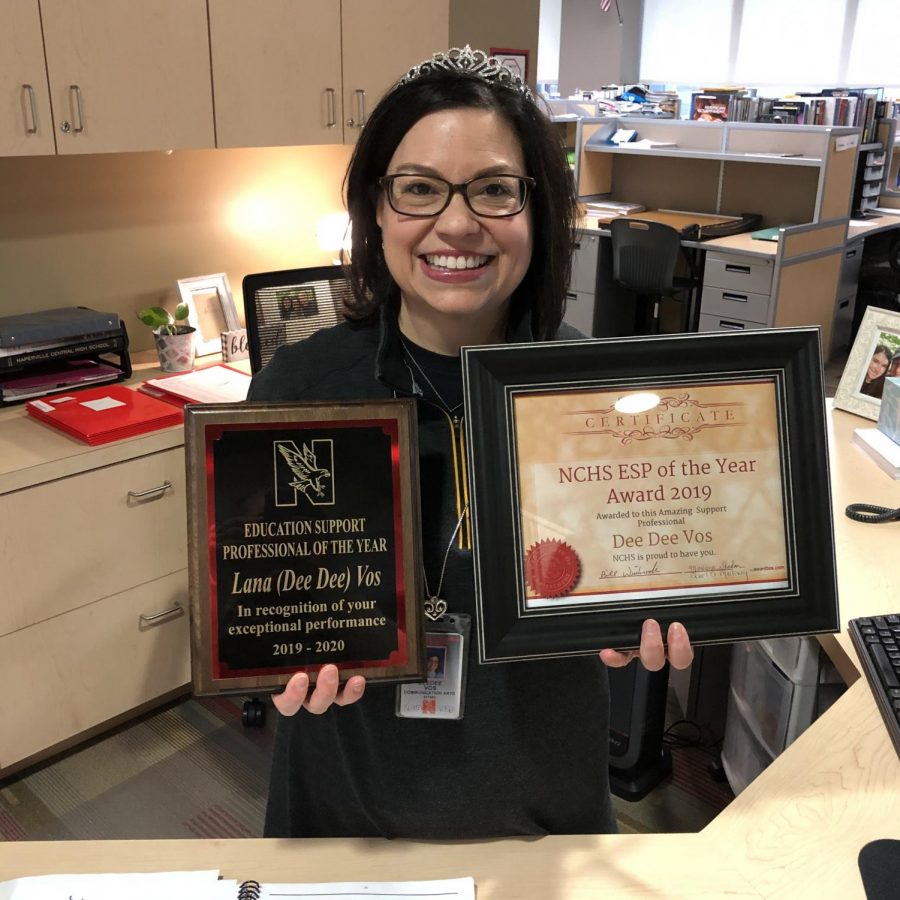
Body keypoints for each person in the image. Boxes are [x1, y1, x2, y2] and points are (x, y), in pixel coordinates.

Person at [248, 46, 693, 840]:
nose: (457, 223)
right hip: (352, 801)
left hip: (537, 797)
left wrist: (663, 604)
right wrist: (267, 654)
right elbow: (266, 590)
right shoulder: (299, 385)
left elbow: (639, 567)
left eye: (493, 190)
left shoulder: (600, 396)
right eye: (419, 189)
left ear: (537, 210)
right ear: (376, 209)